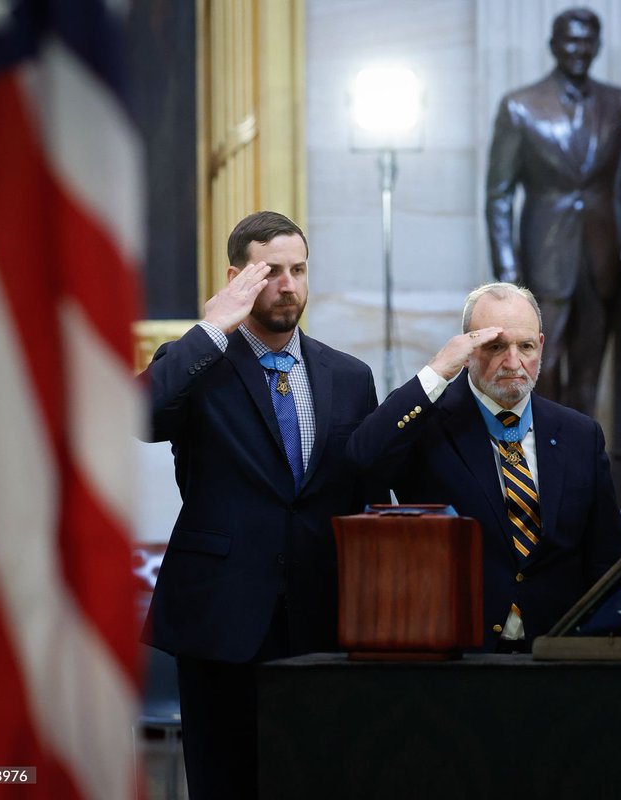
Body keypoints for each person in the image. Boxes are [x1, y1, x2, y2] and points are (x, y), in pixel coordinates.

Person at [140, 211, 381, 799]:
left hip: (319, 618)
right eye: (271, 270)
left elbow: (361, 496)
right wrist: (213, 326)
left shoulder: (349, 376)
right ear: (237, 275)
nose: (289, 284)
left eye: (298, 270)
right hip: (221, 618)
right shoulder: (198, 362)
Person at [346, 282, 621, 651]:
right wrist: (437, 372)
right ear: (468, 350)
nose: (513, 363)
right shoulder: (430, 426)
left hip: (557, 652)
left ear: (541, 346)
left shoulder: (580, 434)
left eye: (525, 346)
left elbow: (606, 560)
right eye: (495, 347)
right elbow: (362, 458)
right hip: (458, 650)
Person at [486, 6, 621, 417]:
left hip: (602, 257)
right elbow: (498, 196)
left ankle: (579, 456)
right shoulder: (521, 106)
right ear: (553, 45)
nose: (579, 49)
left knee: (589, 373)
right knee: (538, 367)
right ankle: (540, 454)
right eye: (571, 40)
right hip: (544, 259)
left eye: (587, 40)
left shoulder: (618, 103)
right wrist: (508, 274)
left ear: (598, 45)